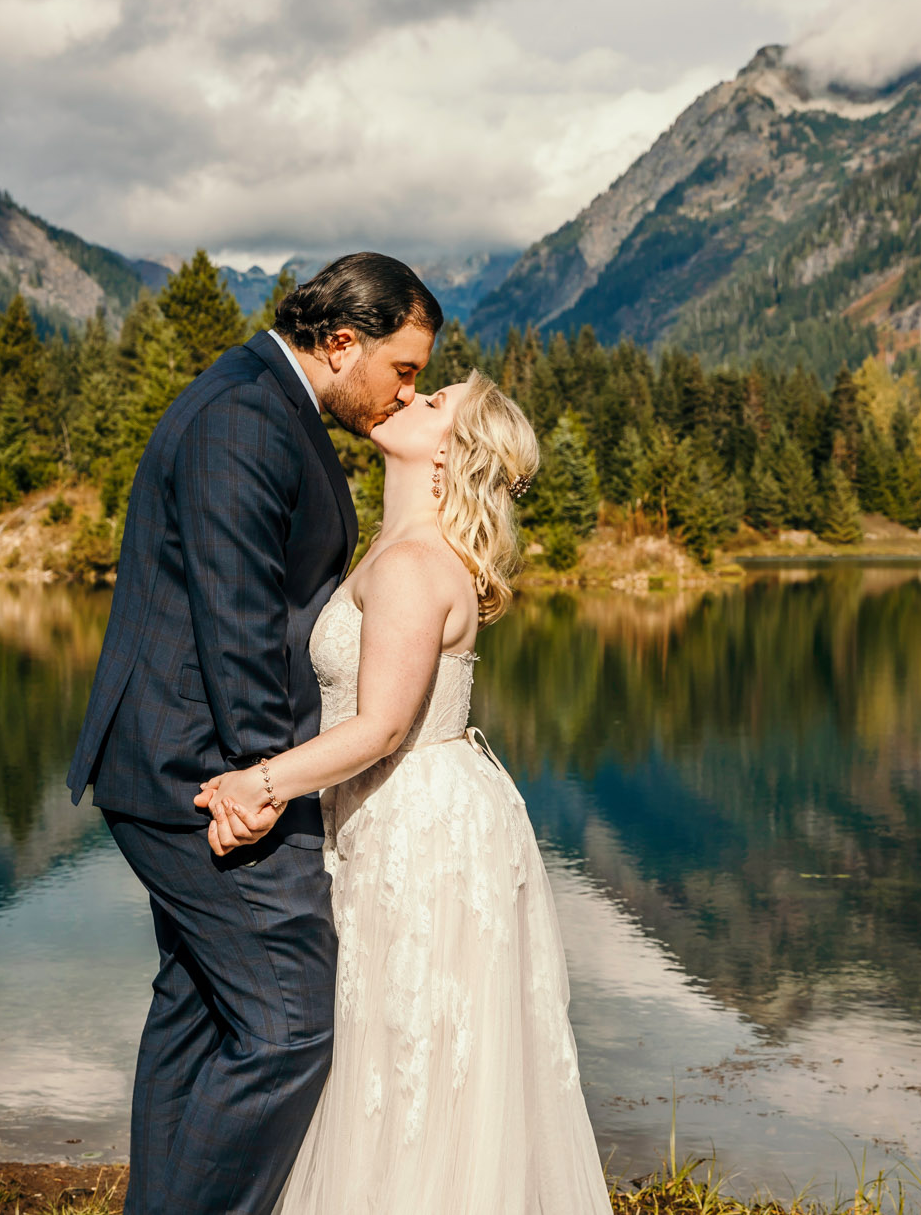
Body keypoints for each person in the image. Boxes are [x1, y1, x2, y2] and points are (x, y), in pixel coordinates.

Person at [66, 252, 440, 1215]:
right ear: (343, 341)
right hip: (202, 776)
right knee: (285, 1027)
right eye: (402, 368)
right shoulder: (244, 417)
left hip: (179, 766)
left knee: (198, 1012)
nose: (410, 390)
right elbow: (236, 630)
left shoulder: (264, 402)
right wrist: (261, 785)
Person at [198, 372, 614, 1214]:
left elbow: (382, 726)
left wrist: (258, 783)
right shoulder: (394, 551)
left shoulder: (414, 564)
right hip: (403, 812)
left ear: (447, 457)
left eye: (436, 403)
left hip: (419, 826)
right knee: (400, 1045)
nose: (412, 397)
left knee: (410, 1049)